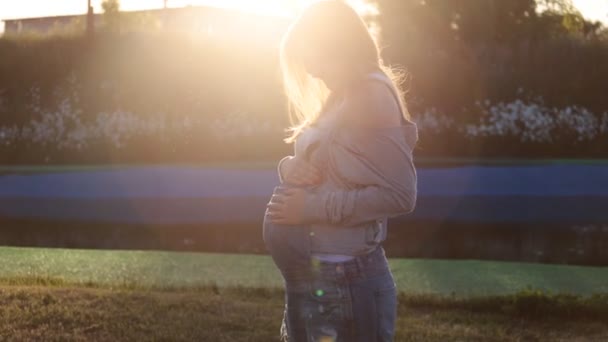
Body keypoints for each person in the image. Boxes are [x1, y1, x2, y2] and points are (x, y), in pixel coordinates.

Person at [263, 1, 418, 341]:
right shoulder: (341, 94)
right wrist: (290, 168)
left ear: (337, 44)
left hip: (347, 281)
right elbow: (330, 164)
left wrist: (310, 209)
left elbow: (401, 194)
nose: (312, 71)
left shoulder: (372, 95)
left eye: (312, 57)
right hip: (317, 277)